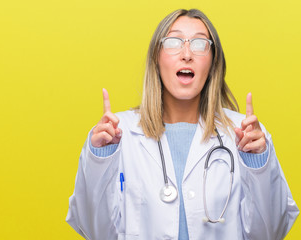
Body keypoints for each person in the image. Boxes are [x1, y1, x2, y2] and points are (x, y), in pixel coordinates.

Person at [66, 9, 299, 240]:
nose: (187, 54)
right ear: (156, 58)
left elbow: (270, 233)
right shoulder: (117, 133)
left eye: (199, 44)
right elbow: (96, 232)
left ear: (212, 63)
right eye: (174, 41)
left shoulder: (247, 135)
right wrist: (101, 158)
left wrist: (258, 164)